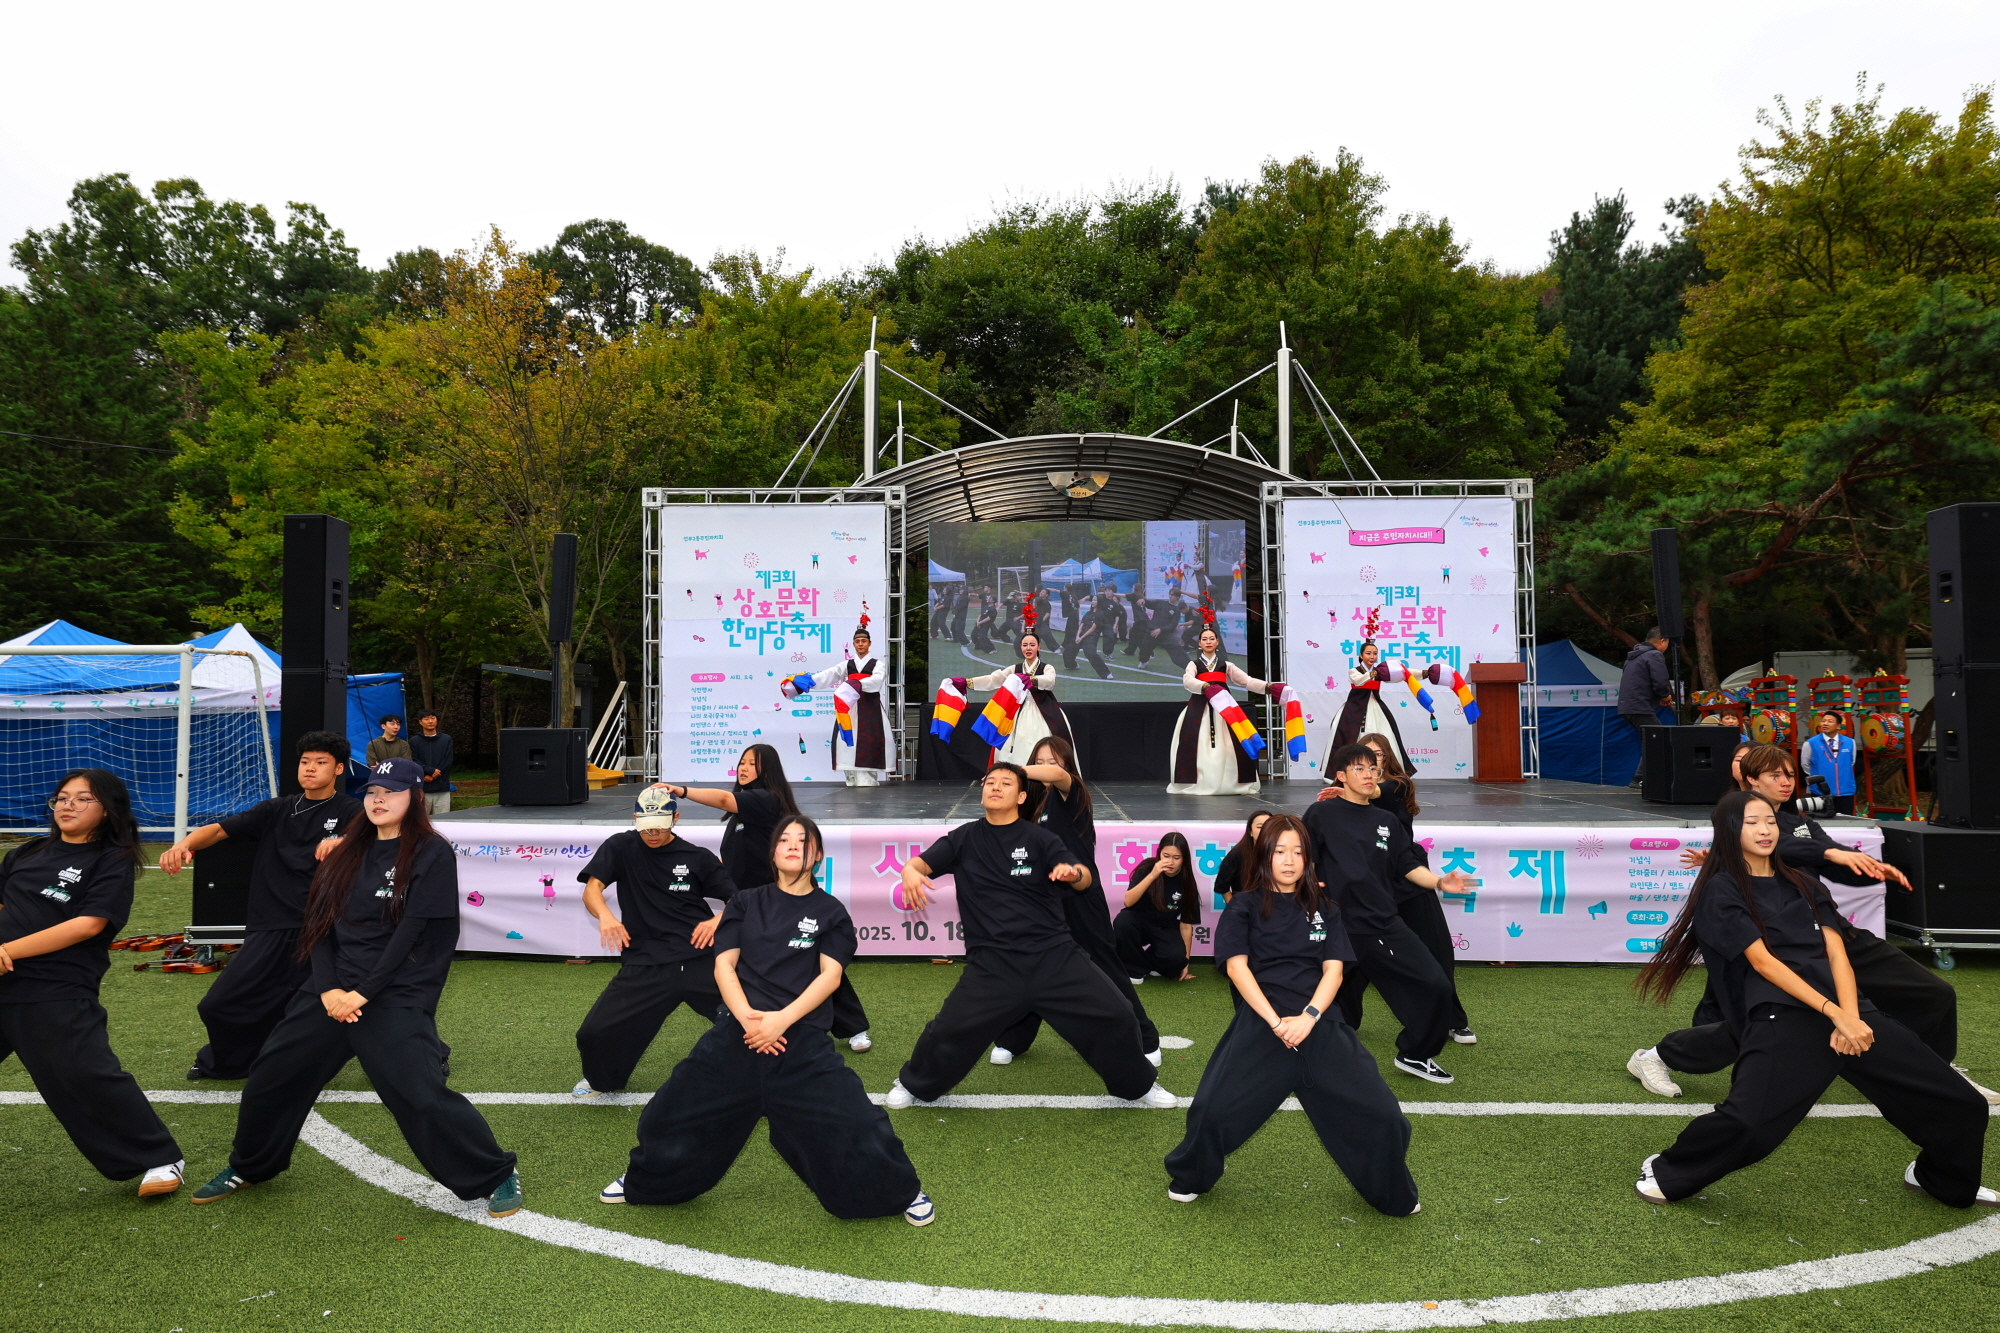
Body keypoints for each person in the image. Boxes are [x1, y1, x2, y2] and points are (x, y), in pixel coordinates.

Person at [189, 758, 522, 1217]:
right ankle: (251, 1165)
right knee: (271, 1076)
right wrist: (328, 990)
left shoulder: (430, 852)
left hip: (394, 991)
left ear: (414, 798)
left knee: (419, 1094)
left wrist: (362, 993)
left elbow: (413, 933)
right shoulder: (343, 853)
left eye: (391, 791)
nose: (378, 799)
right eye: (371, 792)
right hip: (332, 991)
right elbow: (319, 925)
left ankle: (495, 1173)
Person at [1631, 790, 1993, 1207]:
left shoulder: (1801, 882)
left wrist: (1852, 1016)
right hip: (1784, 1014)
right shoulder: (1723, 889)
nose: (1765, 830)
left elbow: (1836, 953)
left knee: (1960, 1104)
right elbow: (1765, 964)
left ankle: (1938, 1179)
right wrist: (1835, 1014)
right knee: (1750, 1125)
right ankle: (1665, 1169)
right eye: (1751, 823)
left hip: (1851, 1014)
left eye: (1769, 820)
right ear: (1729, 830)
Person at [598, 815, 934, 1225]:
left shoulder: (831, 911)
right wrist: (748, 1021)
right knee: (670, 1110)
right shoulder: (745, 901)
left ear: (819, 855)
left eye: (804, 840)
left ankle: (901, 1193)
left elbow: (830, 977)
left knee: (860, 1123)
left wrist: (780, 1021)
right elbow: (724, 966)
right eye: (785, 840)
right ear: (773, 853)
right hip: (735, 1034)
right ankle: (645, 1183)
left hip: (802, 1041)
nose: (794, 845)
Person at [1624, 743, 1995, 1102]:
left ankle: (1939, 1072)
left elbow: (1831, 862)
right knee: (1753, 1028)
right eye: (1774, 775)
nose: (1786, 782)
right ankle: (1656, 1057)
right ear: (1751, 781)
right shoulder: (1736, 814)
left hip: (1830, 931)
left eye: (1790, 775)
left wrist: (1867, 867)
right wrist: (1826, 851)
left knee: (1934, 994)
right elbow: (1786, 847)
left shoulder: (1802, 825)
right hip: (1774, 941)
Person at [1162, 813, 1419, 1215]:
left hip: (1321, 1026)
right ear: (1264, 855)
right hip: (1263, 1026)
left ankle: (1393, 1193)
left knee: (1386, 1117)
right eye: (1280, 850)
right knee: (1211, 1113)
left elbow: (1334, 970)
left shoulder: (1327, 909)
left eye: (1298, 852)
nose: (1289, 860)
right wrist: (1277, 1022)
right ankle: (1191, 1174)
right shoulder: (1244, 906)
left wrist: (1310, 1016)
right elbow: (1236, 968)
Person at [885, 763, 1176, 1109]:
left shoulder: (1039, 838)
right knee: (948, 1030)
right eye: (990, 782)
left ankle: (1139, 1086)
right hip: (993, 964)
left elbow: (1083, 877)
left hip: (1055, 957)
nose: (995, 787)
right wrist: (908, 872)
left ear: (1021, 796)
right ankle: (914, 1085)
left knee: (1116, 1014)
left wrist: (1072, 873)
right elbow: (919, 864)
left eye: (1005, 783)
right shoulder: (963, 838)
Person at [0, 769, 185, 1197]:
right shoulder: (27, 853)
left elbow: (88, 924)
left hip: (54, 985)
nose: (67, 805)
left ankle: (159, 1158)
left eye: (82, 799)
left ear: (108, 809)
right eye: (62, 798)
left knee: (81, 1073)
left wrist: (10, 952)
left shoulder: (111, 859)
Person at [160, 732, 367, 1081]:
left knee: (358, 1002)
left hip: (324, 929)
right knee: (219, 1005)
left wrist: (344, 841)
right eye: (305, 762)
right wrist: (185, 845)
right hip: (270, 927)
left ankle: (423, 1057)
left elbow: (375, 837)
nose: (310, 769)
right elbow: (218, 830)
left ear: (338, 769)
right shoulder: (276, 809)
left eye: (321, 762)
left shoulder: (350, 811)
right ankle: (231, 1062)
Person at [668, 745, 872, 1052]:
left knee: (817, 966)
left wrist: (681, 790)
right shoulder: (738, 816)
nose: (744, 767)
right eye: (742, 762)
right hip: (752, 905)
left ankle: (854, 1027)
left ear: (769, 770)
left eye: (753, 763)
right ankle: (742, 1018)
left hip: (786, 901)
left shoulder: (765, 800)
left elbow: (724, 798)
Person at [1304, 744, 1475, 1084]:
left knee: (1436, 985)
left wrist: (1440, 881)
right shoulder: (1320, 814)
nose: (1369, 775)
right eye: (1359, 769)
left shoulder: (1387, 821)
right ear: (1341, 776)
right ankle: (1304, 1054)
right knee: (1311, 995)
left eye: (1373, 769)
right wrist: (1306, 886)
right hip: (1335, 925)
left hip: (1382, 923)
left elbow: (1409, 866)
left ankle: (1415, 1053)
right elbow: (1301, 857)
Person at [988, 736, 1162, 1069]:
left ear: (1067, 765)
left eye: (1053, 761)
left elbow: (1058, 778)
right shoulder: (1037, 806)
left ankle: (1145, 1037)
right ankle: (1013, 1040)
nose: (1046, 767)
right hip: (1046, 904)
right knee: (1033, 967)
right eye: (1039, 760)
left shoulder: (1073, 792)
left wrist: (1010, 771)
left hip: (1082, 899)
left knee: (1106, 970)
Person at [569, 785, 737, 1098]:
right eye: (646, 828)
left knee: (751, 1020)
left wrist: (717, 921)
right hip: (644, 962)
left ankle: (776, 1076)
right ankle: (604, 1081)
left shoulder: (697, 857)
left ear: (676, 817)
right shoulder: (620, 846)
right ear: (635, 819)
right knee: (593, 1033)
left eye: (660, 827)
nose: (653, 835)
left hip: (699, 958)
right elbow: (592, 890)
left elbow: (738, 900)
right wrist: (606, 916)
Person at [1357, 731, 1476, 1046]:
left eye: (1377, 755)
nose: (1371, 762)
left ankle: (1453, 1021)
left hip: (1409, 878)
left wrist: (1347, 789)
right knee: (1356, 955)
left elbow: (1374, 791)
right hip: (1370, 883)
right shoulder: (1350, 799)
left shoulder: (1398, 784)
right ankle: (1341, 1018)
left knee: (1436, 950)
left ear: (1387, 757)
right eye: (1363, 758)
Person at [1167, 617, 1272, 796]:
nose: (1208, 642)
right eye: (1204, 639)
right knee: (1194, 742)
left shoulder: (1226, 665)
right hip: (1199, 708)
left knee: (1232, 744)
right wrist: (1205, 686)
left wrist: (1269, 687)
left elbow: (1246, 681)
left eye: (1211, 639)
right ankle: (1200, 781)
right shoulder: (1194, 664)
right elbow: (1188, 681)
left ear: (1217, 642)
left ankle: (1232, 782)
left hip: (1225, 709)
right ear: (1199, 643)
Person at [789, 617, 889, 785]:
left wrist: (855, 683)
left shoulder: (877, 664)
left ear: (869, 643)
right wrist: (807, 681)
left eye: (864, 641)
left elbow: (877, 681)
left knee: (867, 741)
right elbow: (828, 675)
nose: (860, 644)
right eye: (857, 641)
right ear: (853, 644)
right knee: (846, 743)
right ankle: (850, 777)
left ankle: (867, 780)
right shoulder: (847, 664)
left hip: (869, 708)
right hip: (848, 708)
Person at [967, 623, 1075, 770]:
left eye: (1032, 645)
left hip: (1044, 711)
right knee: (1009, 746)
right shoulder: (1015, 669)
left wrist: (1031, 679)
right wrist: (968, 683)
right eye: (1025, 645)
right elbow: (995, 679)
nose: (1028, 648)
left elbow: (1049, 681)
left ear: (1039, 647)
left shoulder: (1046, 668)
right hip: (1017, 711)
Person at [1114, 833, 1201, 985]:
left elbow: (1186, 926)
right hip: (1138, 920)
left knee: (1175, 962)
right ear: (1159, 852)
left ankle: (1151, 962)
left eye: (1176, 857)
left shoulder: (1187, 882)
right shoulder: (1147, 867)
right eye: (1166, 855)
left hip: (1165, 926)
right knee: (1123, 922)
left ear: (1184, 858)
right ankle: (1133, 969)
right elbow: (1128, 901)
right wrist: (1153, 875)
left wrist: (1185, 962)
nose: (1170, 862)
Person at [1321, 640, 1410, 777]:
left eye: (1375, 654)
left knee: (1386, 736)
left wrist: (1424, 674)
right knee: (1347, 739)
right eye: (1368, 653)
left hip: (1375, 707)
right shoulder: (1355, 671)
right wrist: (1373, 674)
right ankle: (1345, 773)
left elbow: (1402, 674)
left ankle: (1386, 772)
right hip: (1353, 709)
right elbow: (1358, 680)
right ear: (1361, 656)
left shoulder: (1379, 671)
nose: (1372, 656)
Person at [1618, 629, 1673, 787]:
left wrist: (1657, 699)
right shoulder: (1654, 655)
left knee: (1651, 739)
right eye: (1667, 644)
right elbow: (1660, 681)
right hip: (1639, 706)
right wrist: (1665, 696)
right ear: (1662, 641)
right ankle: (1640, 779)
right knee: (1656, 739)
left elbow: (1638, 682)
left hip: (1627, 706)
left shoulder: (1632, 657)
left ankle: (1641, 778)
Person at [1803, 710, 1859, 817]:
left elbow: (1851, 762)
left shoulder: (1850, 742)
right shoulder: (1810, 743)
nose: (1825, 723)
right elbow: (1805, 765)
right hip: (1820, 792)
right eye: (1823, 721)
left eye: (1830, 721)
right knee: (1821, 823)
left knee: (1845, 822)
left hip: (1845, 791)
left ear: (1838, 726)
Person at [1211, 812, 1272, 906]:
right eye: (1259, 827)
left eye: (1269, 826)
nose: (1264, 830)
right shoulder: (1237, 854)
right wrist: (1235, 908)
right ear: (1250, 831)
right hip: (1247, 910)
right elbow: (1222, 886)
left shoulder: (1281, 854)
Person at [408, 709, 454, 816]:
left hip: (442, 787)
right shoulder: (414, 741)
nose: (430, 721)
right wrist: (428, 772)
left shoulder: (446, 739)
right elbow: (413, 760)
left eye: (433, 718)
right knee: (421, 820)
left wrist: (435, 774)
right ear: (420, 722)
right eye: (426, 719)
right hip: (422, 787)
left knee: (444, 820)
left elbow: (448, 760)